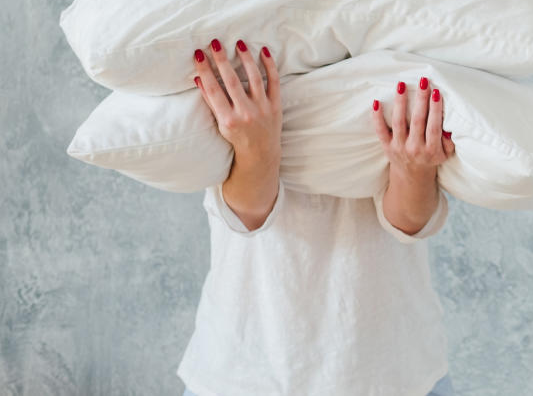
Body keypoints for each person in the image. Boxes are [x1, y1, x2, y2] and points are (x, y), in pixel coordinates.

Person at [175, 38, 457, 396]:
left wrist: (413, 171)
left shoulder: (398, 50)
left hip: (394, 372)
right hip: (246, 371)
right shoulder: (246, 33)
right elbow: (247, 215)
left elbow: (409, 223)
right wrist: (255, 149)